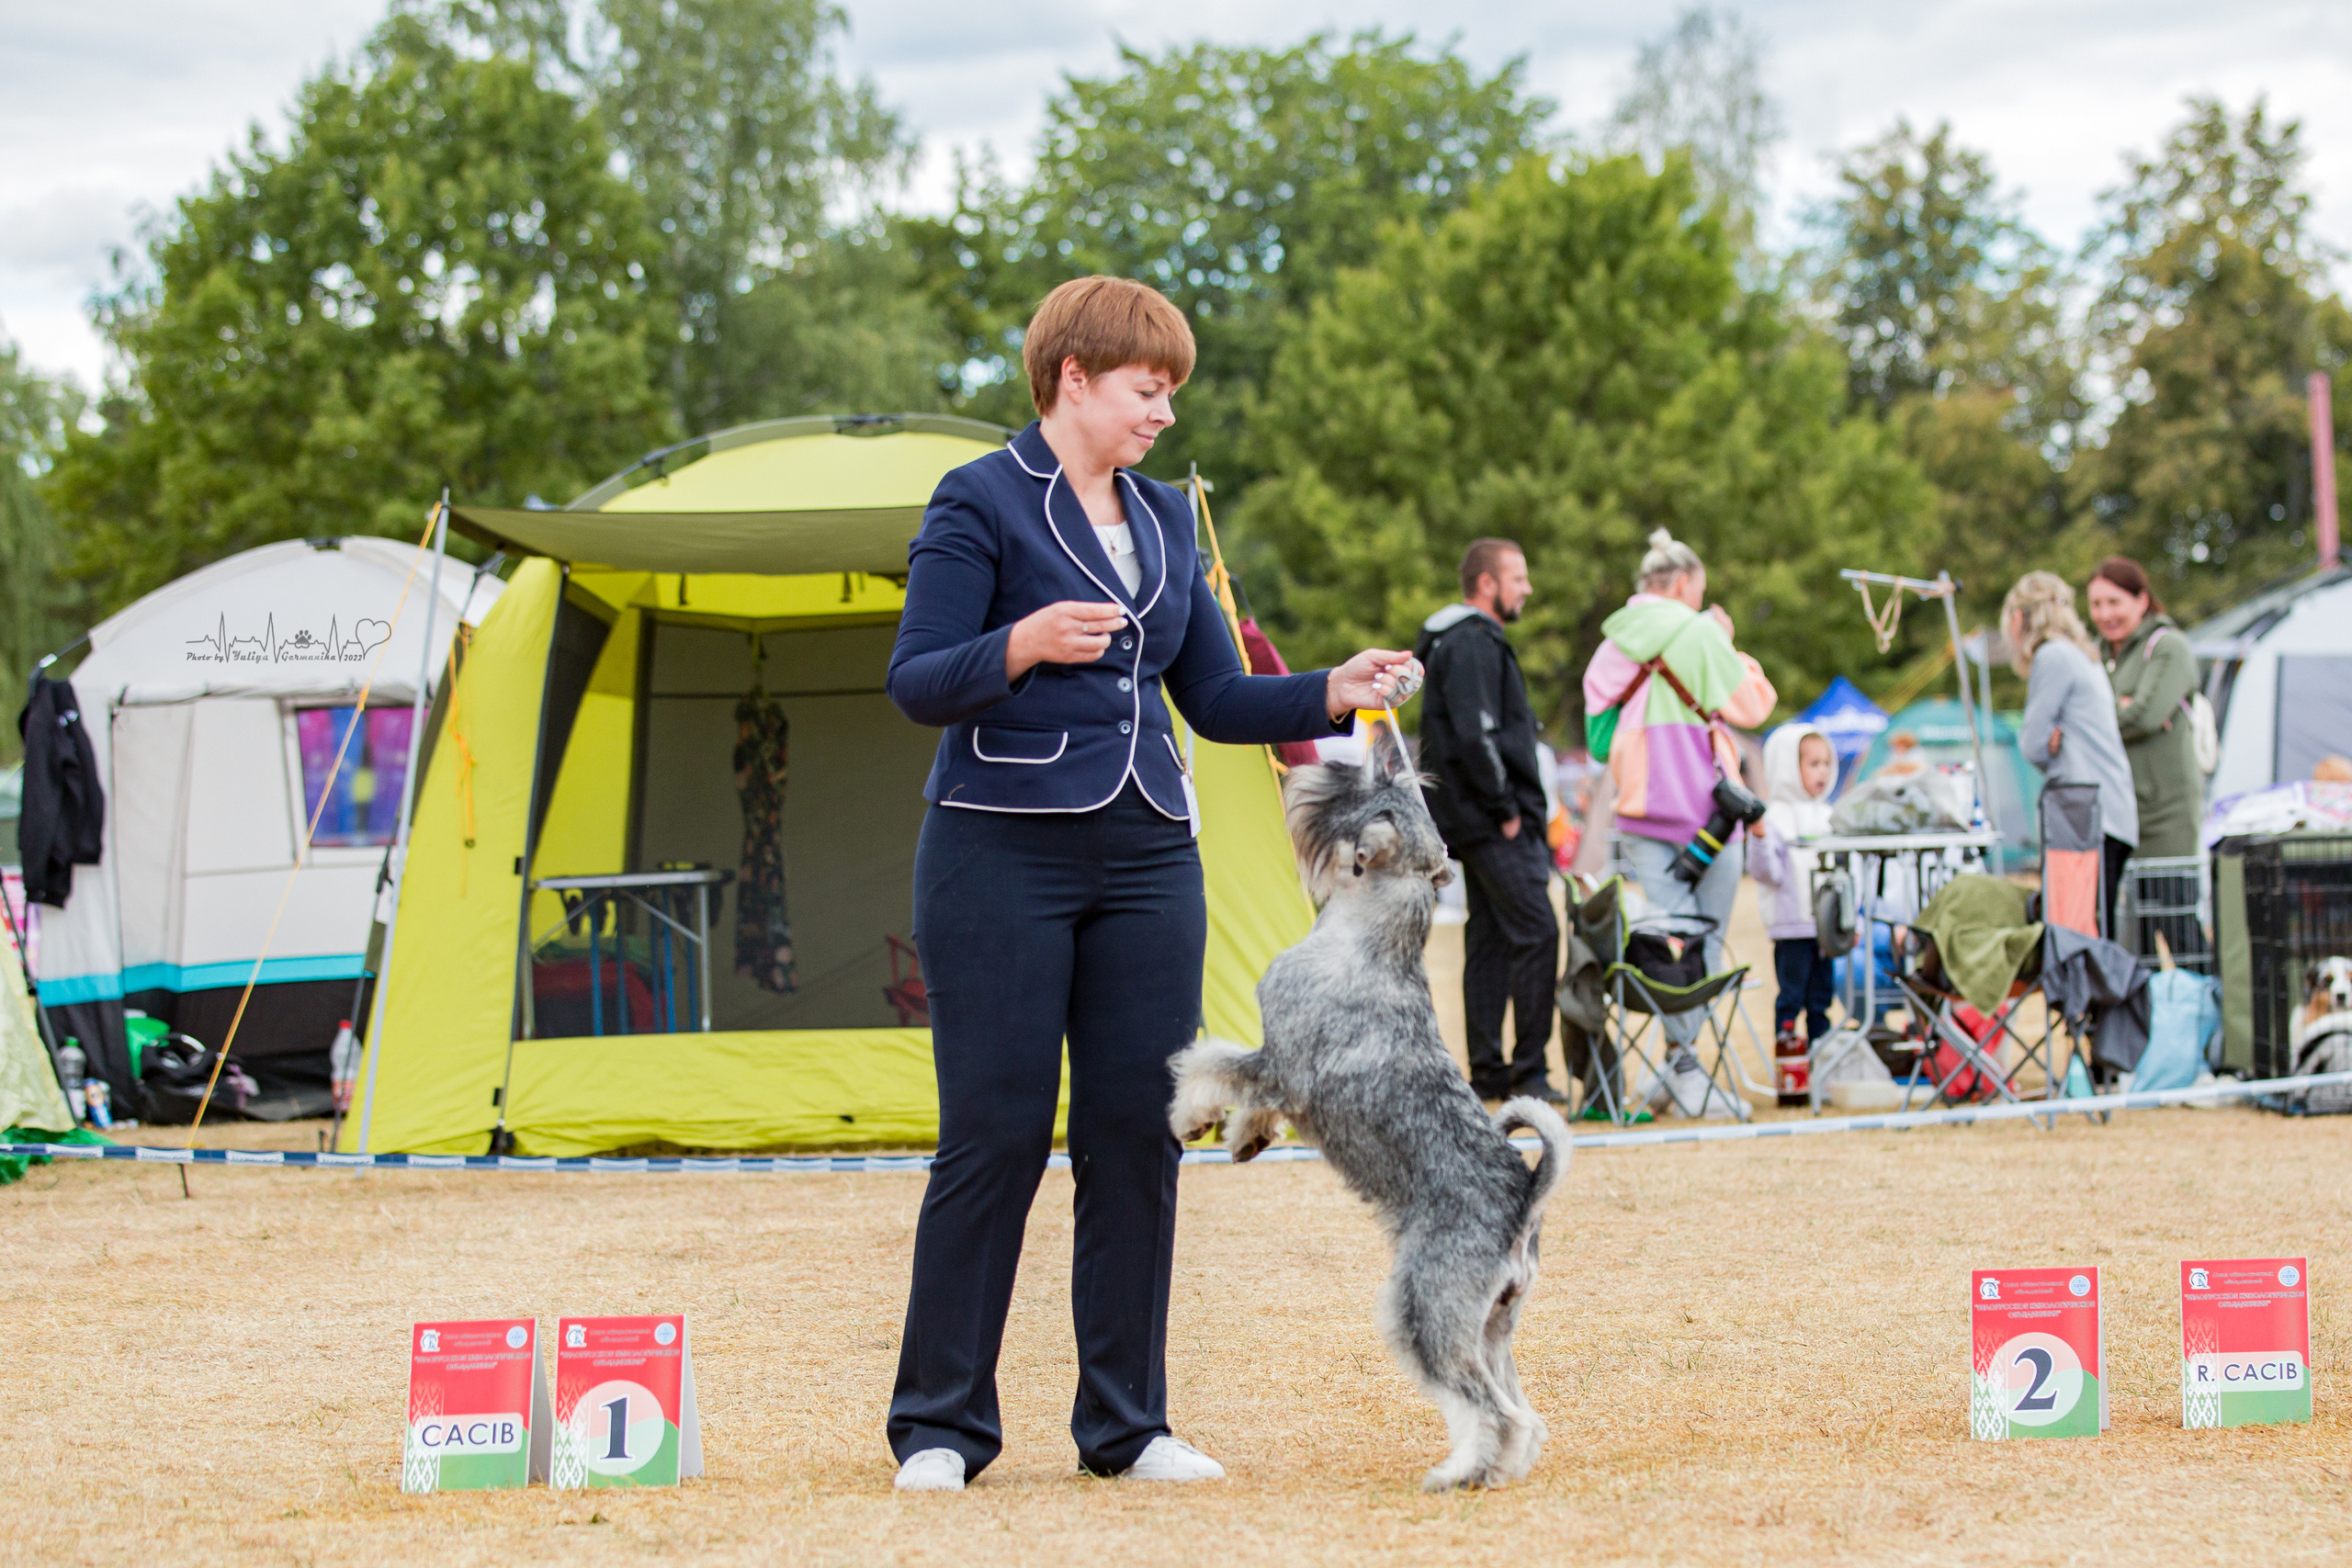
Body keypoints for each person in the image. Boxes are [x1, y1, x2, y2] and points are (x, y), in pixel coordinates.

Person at [880, 276, 1418, 1494]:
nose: (1165, 411)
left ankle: (1126, 1425)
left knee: (1137, 1136)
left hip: (1147, 857)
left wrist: (1333, 685)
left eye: (1171, 390)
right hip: (996, 852)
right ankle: (940, 1427)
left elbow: (1220, 700)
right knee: (996, 1137)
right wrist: (1018, 643)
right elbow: (918, 678)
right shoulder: (978, 501)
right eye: (1147, 387)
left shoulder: (1171, 520)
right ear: (1073, 376)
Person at [1580, 529, 1776, 1111]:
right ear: (1685, 584)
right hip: (1708, 806)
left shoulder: (1613, 642)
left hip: (1641, 804)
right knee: (1705, 939)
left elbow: (1596, 739)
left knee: (1668, 938)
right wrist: (1726, 643)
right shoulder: (1700, 632)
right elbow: (1752, 704)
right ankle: (1686, 1067)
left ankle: (1675, 1065)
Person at [1415, 539, 1563, 1106]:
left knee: (1491, 938)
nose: (1526, 588)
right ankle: (1529, 1073)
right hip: (1492, 819)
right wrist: (1505, 809)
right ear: (1487, 584)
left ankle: (1491, 1073)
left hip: (1472, 821)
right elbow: (1478, 735)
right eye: (1518, 577)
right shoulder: (1472, 642)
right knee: (1537, 931)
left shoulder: (1458, 643)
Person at [2006, 570, 2138, 933]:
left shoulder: (2053, 657)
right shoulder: (2085, 656)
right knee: (2097, 930)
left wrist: (2047, 746)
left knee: (2074, 935)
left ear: (2020, 618)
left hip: (2085, 817)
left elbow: (2032, 742)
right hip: (2112, 811)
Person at [2085, 556, 2202, 859]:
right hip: (2111, 812)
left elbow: (2144, 717)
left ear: (2141, 601)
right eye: (2096, 604)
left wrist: (2094, 720)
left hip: (2164, 815)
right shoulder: (2091, 655)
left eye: (2114, 602)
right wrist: (2120, 706)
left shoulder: (2168, 647)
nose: (2104, 613)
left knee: (2169, 902)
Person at [1750, 724, 1838, 1055]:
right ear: (1787, 766)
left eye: (1827, 763)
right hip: (1791, 928)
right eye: (1813, 764)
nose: (1823, 772)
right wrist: (1758, 837)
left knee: (1822, 998)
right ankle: (1790, 1067)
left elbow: (1847, 872)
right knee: (1791, 996)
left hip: (1827, 929)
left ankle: (1821, 1060)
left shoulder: (1832, 817)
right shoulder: (1774, 819)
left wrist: (1849, 921)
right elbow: (1765, 873)